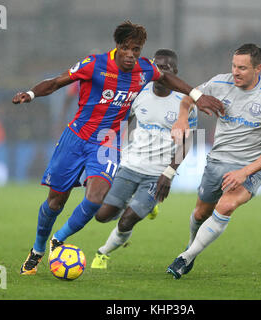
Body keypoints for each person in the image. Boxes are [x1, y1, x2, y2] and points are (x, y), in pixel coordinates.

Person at [12, 20, 224, 275]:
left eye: (137, 50)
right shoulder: (94, 64)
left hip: (106, 141)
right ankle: (36, 250)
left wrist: (197, 98)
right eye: (127, 49)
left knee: (95, 199)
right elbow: (57, 82)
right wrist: (31, 94)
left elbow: (166, 77)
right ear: (118, 46)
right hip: (75, 137)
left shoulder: (144, 69)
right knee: (55, 202)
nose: (132, 55)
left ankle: (58, 239)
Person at [166, 43, 261, 279]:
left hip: (251, 166)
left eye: (242, 68)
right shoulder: (218, 84)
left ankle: (185, 258)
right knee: (201, 214)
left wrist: (245, 172)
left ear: (258, 68)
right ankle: (192, 246)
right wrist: (182, 119)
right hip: (218, 160)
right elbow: (187, 99)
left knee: (227, 206)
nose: (235, 71)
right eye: (234, 66)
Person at [86, 49, 197, 269]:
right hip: (130, 165)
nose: (159, 71)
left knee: (127, 220)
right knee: (101, 215)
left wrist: (169, 173)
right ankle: (141, 203)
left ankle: (103, 252)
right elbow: (123, 121)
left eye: (165, 67)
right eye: (156, 65)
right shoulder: (140, 92)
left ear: (175, 72)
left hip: (157, 175)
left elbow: (187, 142)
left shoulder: (185, 103)